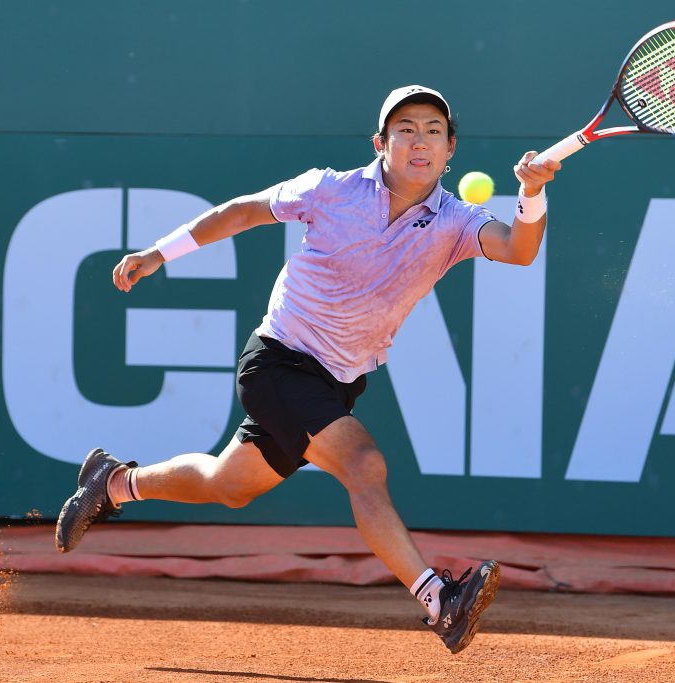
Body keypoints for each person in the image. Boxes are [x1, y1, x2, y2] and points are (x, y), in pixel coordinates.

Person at [55, 84, 559, 654]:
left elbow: (519, 248)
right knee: (364, 465)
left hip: (338, 381)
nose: (420, 141)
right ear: (381, 143)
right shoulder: (329, 189)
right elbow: (242, 212)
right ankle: (438, 600)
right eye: (406, 129)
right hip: (277, 361)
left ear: (450, 152)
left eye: (433, 131)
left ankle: (114, 483)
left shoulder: (456, 223)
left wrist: (530, 193)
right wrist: (156, 254)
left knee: (230, 485)